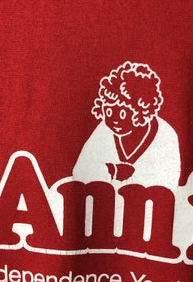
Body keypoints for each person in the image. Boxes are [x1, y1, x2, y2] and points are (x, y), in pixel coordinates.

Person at [72, 61, 181, 190]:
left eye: (123, 114)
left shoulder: (165, 134)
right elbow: (80, 172)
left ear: (142, 109)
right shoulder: (104, 130)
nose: (115, 120)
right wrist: (112, 170)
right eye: (109, 112)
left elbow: (169, 180)